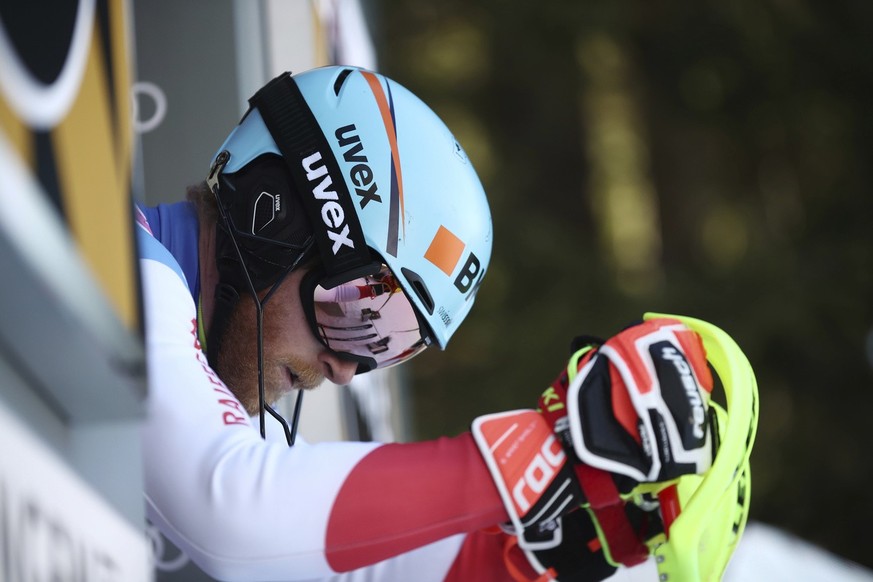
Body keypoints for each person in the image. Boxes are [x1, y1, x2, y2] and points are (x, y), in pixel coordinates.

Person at [137, 66, 717, 581]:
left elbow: (362, 569)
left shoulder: (190, 356)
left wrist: (529, 553)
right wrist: (546, 446)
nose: (345, 370)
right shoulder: (130, 265)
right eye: (363, 313)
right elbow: (235, 514)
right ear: (275, 214)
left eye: (388, 344)